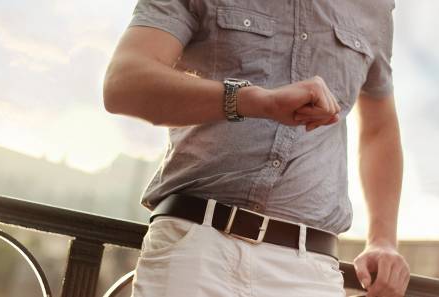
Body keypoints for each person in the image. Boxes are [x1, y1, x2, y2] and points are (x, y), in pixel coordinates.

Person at [103, 0, 410, 296]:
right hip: (196, 250)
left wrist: (383, 240)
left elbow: (379, 128)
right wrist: (254, 101)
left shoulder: (375, 7)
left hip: (310, 271)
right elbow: (124, 82)